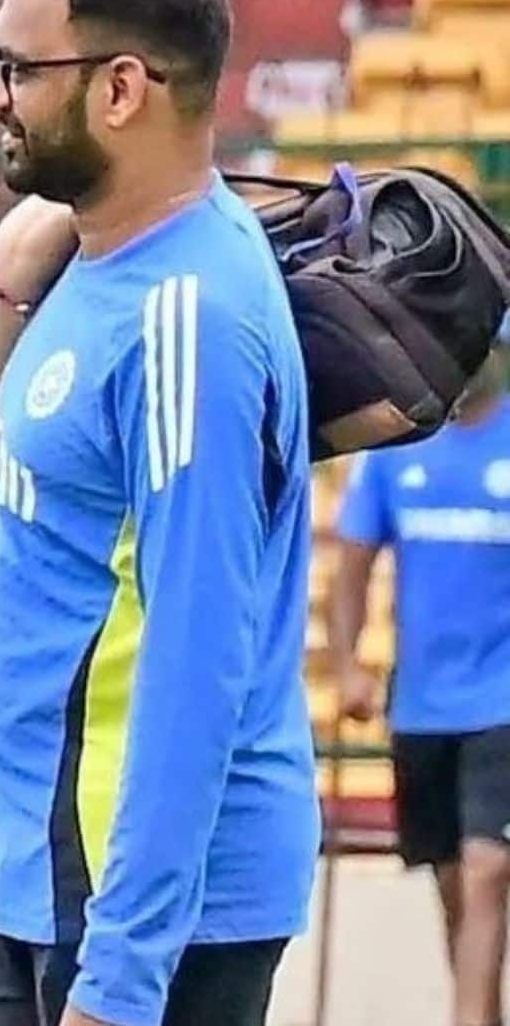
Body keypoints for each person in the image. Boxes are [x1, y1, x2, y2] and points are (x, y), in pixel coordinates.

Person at [0, 0, 320, 1026]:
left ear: (121, 90)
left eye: (19, 69)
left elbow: (194, 656)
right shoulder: (97, 263)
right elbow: (41, 506)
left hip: (136, 916)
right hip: (46, 879)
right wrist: (14, 298)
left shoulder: (188, 315)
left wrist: (121, 976)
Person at [330, 326, 510, 1026]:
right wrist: (347, 666)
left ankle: (467, 1019)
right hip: (424, 705)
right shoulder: (396, 451)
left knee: (489, 867)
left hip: (503, 701)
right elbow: (351, 565)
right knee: (455, 880)